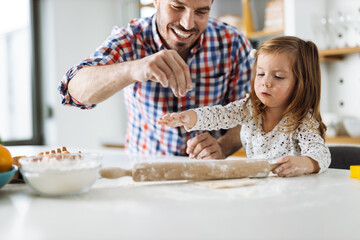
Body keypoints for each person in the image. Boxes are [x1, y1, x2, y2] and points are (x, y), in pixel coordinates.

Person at [59, 0, 253, 158]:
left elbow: (250, 115)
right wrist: (134, 68)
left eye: (201, 12)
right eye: (177, 7)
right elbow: (73, 90)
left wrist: (221, 148)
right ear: (157, 1)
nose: (188, 24)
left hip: (206, 174)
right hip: (143, 169)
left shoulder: (232, 42)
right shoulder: (130, 39)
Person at [158, 36, 331, 177]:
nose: (266, 82)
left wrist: (306, 163)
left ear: (301, 84)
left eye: (278, 76)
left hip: (291, 195)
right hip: (257, 190)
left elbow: (322, 154)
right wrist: (188, 117)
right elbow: (220, 115)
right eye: (261, 74)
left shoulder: (302, 121)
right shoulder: (250, 108)